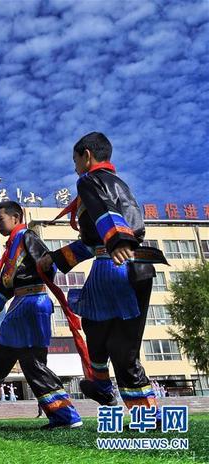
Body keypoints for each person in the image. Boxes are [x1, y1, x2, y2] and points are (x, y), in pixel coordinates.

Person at [39, 132, 167, 416]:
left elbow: (107, 217)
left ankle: (145, 412)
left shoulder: (89, 181)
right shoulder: (119, 184)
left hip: (118, 265)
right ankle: (102, 386)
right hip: (124, 264)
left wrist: (119, 239)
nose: (74, 167)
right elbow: (91, 242)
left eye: (75, 160)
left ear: (87, 156)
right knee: (98, 331)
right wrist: (56, 259)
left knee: (121, 349)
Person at [0, 201, 82, 429]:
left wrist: (47, 264)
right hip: (23, 302)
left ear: (16, 217)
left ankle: (65, 415)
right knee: (2, 349)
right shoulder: (14, 245)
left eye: (1, 220)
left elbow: (47, 264)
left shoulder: (27, 237)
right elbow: (6, 285)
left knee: (30, 361)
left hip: (31, 303)